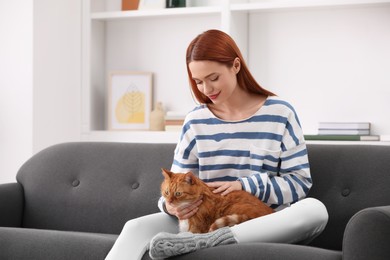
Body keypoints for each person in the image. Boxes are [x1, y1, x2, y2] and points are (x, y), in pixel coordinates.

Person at [105, 29, 328, 260]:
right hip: (202, 218)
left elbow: (299, 183)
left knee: (314, 210)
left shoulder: (280, 113)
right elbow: (177, 179)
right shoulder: (195, 121)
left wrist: (246, 186)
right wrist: (169, 207)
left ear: (236, 66)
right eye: (198, 82)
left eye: (213, 78)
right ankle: (202, 240)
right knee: (134, 228)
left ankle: (210, 241)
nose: (206, 89)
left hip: (264, 221)